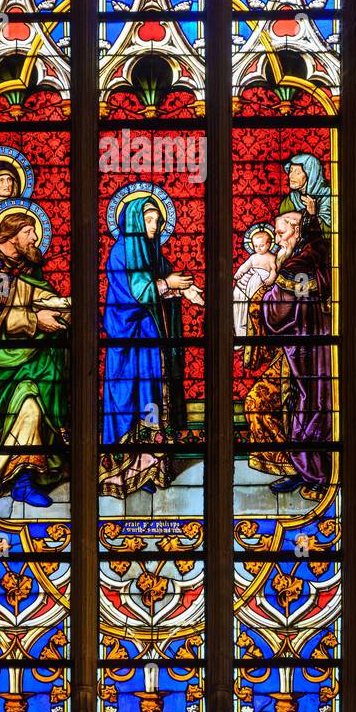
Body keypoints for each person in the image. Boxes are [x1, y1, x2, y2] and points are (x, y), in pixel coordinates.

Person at [100, 195, 203, 498]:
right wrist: (170, 285)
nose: (155, 225)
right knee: (129, 398)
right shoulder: (121, 252)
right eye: (148, 219)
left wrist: (189, 292)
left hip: (151, 341)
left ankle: (150, 466)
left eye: (157, 219)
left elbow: (167, 285)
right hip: (128, 341)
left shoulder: (152, 251)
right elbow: (136, 293)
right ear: (133, 220)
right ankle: (124, 471)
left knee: (151, 399)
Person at [0, 211, 70, 507]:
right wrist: (35, 321)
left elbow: (36, 295)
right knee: (29, 404)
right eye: (29, 233)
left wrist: (58, 307)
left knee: (42, 384)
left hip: (29, 355)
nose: (35, 239)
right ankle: (20, 480)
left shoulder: (25, 266)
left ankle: (30, 477)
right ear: (12, 234)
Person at [245, 209, 332, 496]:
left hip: (305, 350)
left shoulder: (298, 265)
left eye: (281, 234)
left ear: (297, 231)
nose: (276, 240)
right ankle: (298, 468)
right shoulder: (302, 261)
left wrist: (264, 294)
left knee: (306, 404)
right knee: (272, 403)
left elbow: (280, 312)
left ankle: (312, 472)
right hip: (302, 346)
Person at [233, 224, 277, 339]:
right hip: (248, 280)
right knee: (237, 295)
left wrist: (270, 279)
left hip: (261, 281)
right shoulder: (253, 257)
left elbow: (274, 271)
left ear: (269, 245)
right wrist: (239, 274)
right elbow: (244, 267)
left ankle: (250, 329)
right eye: (255, 246)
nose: (258, 248)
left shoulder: (271, 258)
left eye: (261, 245)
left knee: (255, 283)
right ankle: (240, 332)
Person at [280, 152, 331, 238]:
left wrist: (313, 215)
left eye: (298, 173)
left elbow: (329, 235)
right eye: (291, 171)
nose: (291, 176)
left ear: (311, 175)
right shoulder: (290, 200)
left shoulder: (327, 197)